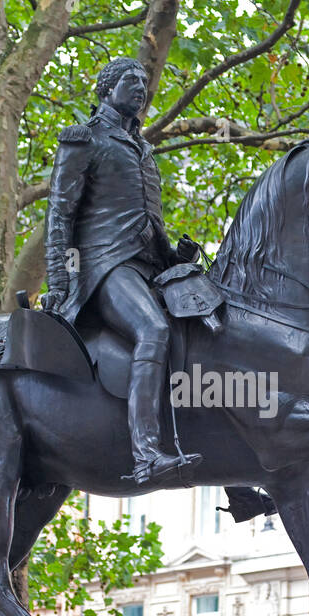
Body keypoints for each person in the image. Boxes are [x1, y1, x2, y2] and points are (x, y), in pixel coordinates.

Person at [41, 57, 202, 484]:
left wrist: (174, 258)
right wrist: (60, 278)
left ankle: (232, 471)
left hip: (148, 268)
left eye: (145, 82)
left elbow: (149, 223)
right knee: (154, 330)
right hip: (104, 266)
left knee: (206, 330)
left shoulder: (143, 149)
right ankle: (146, 453)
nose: (141, 87)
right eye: (131, 80)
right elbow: (60, 213)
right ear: (106, 87)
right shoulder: (84, 139)